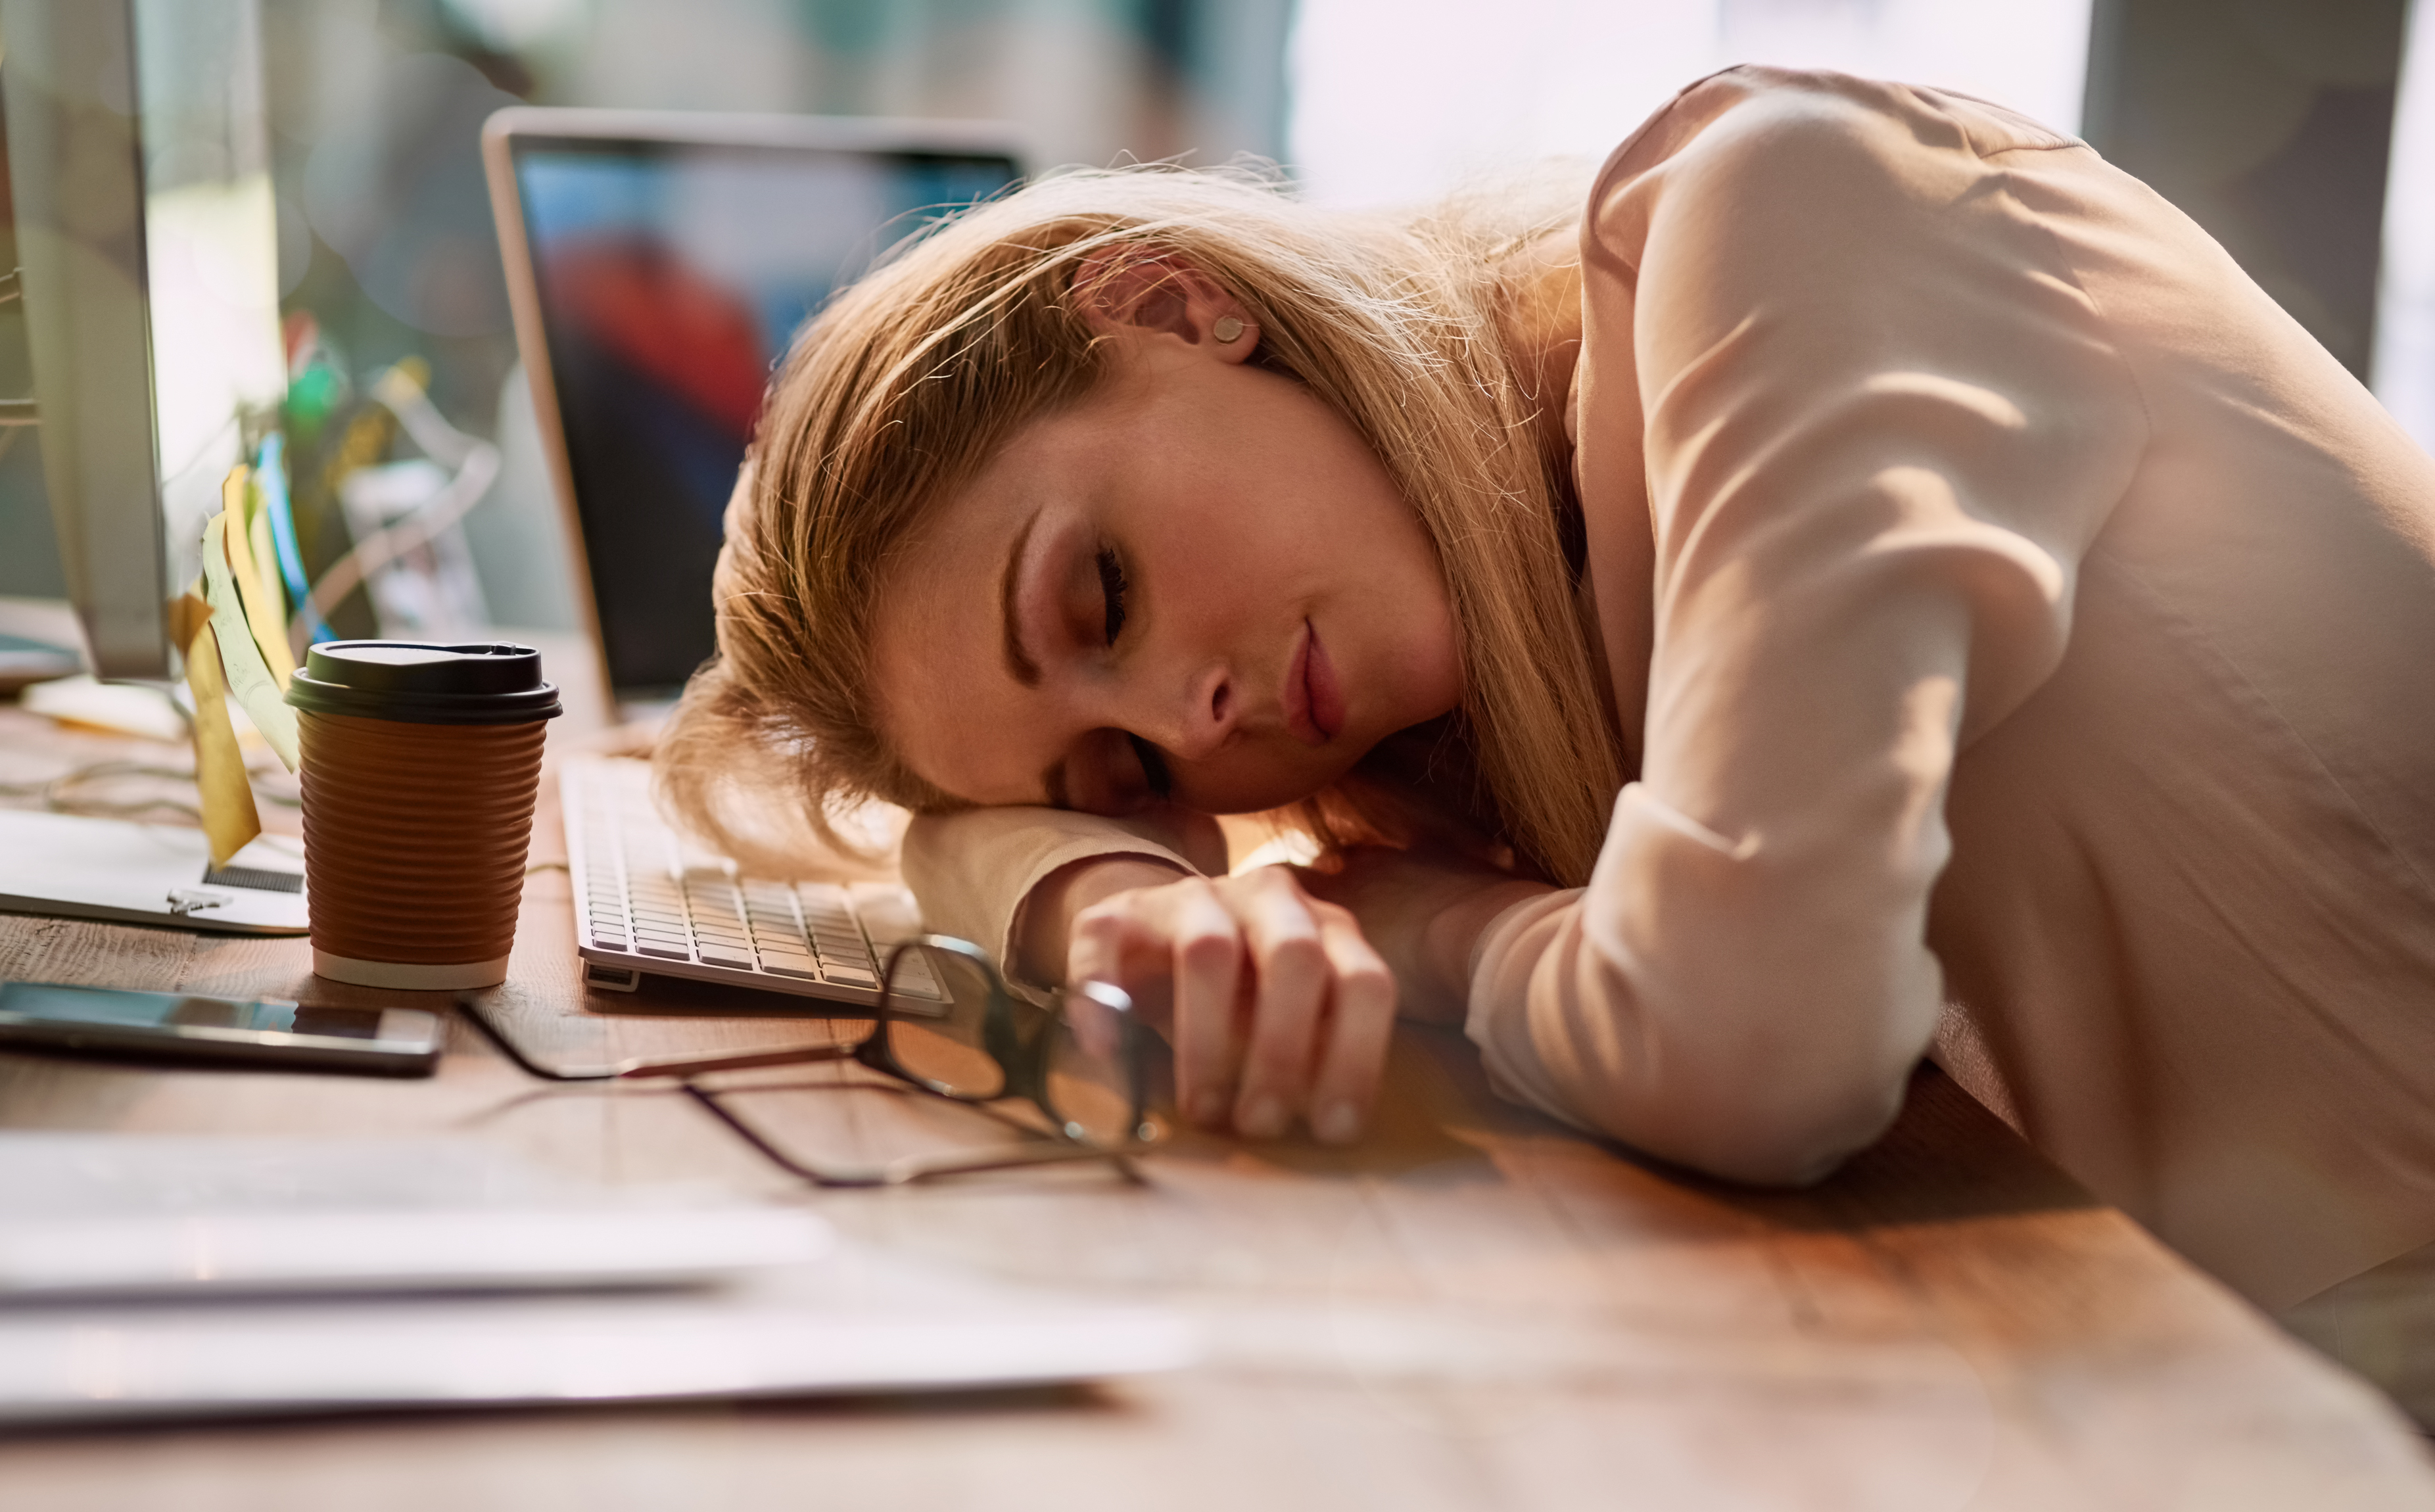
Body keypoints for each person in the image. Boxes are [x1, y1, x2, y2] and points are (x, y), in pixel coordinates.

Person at [653, 66, 2435, 1402]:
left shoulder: (1788, 214)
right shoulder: (1488, 670)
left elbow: (1757, 1049)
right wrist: (1098, 886)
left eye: (1096, 598)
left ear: (1172, 304)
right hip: (2232, 1348)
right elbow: (944, 841)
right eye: (1126, 773)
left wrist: (1426, 925)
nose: (1190, 734)